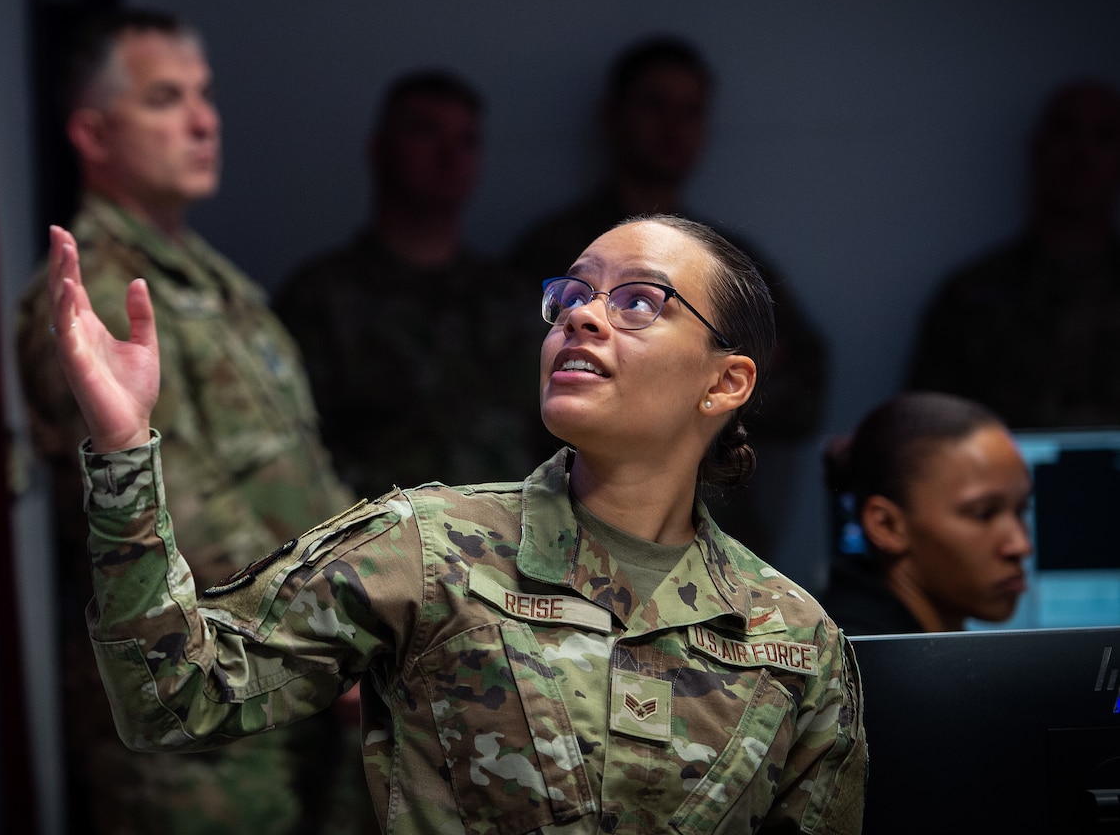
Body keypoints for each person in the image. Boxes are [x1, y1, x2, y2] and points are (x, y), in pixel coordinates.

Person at [46, 213, 867, 834]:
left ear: (726, 384)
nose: (581, 317)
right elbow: (172, 696)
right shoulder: (426, 547)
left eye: (640, 302)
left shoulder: (794, 641)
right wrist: (122, 449)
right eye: (572, 295)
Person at [13, 9, 355, 834]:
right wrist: (338, 636)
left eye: (203, 95)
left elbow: (299, 468)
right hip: (194, 706)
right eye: (166, 99)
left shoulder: (209, 277)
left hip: (295, 669)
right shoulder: (93, 296)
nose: (204, 120)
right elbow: (182, 506)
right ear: (94, 135)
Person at [506, 36, 827, 442]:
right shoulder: (557, 248)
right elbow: (519, 387)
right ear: (611, 116)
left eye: (691, 111)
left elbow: (805, 394)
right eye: (654, 105)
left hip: (707, 490)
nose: (673, 126)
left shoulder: (727, 259)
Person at [273, 70, 547, 498]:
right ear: (379, 150)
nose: (448, 155)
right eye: (425, 132)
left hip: (511, 545)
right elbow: (293, 457)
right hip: (375, 549)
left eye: (467, 141)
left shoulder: (512, 298)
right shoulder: (322, 298)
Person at [908, 80, 1120, 427]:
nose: (1082, 155)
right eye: (1066, 132)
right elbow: (925, 442)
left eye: (1104, 136)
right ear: (1038, 148)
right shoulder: (971, 297)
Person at [822, 393, 1033, 635]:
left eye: (1022, 510)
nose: (1021, 546)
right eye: (983, 514)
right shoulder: (856, 664)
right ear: (886, 525)